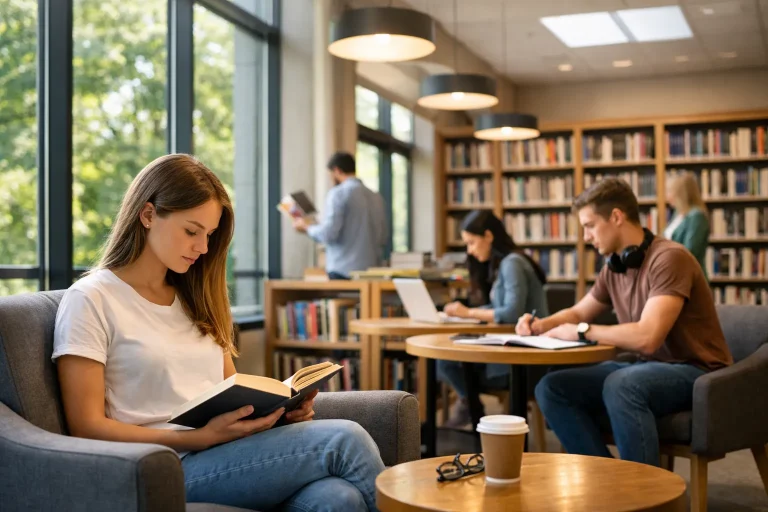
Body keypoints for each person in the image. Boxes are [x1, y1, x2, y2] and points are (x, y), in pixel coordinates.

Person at [52, 154, 384, 511]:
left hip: (224, 454)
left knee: (339, 498)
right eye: (191, 231)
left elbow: (230, 391)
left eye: (209, 235)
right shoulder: (91, 298)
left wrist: (280, 413)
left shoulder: (195, 298)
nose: (203, 248)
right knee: (345, 439)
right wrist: (198, 439)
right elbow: (86, 426)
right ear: (147, 215)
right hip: (163, 466)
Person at [518, 178, 732, 467]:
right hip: (647, 366)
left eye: (590, 226)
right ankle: (606, 478)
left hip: (697, 372)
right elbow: (580, 312)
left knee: (621, 385)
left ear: (616, 217)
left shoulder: (669, 258)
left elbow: (647, 337)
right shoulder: (616, 265)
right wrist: (541, 325)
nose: (586, 237)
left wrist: (582, 332)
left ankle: (644, 490)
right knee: (551, 387)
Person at [437, 210, 549, 428]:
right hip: (514, 355)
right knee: (447, 360)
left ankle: (472, 409)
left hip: (521, 363)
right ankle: (471, 408)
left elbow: (511, 313)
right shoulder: (506, 263)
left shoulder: (512, 263)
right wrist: (464, 314)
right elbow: (498, 308)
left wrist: (468, 313)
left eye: (471, 242)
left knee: (444, 362)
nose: (469, 250)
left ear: (488, 236)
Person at [293, 152, 387, 280]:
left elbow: (328, 233)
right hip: (371, 272)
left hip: (343, 271)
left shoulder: (338, 194)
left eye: (330, 174)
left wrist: (306, 227)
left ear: (337, 171)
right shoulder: (376, 197)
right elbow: (383, 236)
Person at [664, 171, 709, 274]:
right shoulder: (677, 214)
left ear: (681, 194)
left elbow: (689, 251)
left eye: (670, 191)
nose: (667, 196)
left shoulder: (696, 216)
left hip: (689, 276)